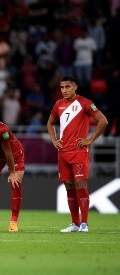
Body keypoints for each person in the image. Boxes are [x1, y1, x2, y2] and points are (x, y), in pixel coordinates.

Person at [46, 76, 108, 233]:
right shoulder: (58, 104)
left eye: (67, 87)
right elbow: (50, 123)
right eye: (62, 87)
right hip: (63, 152)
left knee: (80, 184)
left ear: (75, 87)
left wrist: (90, 140)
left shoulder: (85, 103)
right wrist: (54, 140)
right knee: (69, 186)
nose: (64, 90)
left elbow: (103, 121)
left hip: (79, 151)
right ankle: (74, 223)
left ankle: (84, 224)